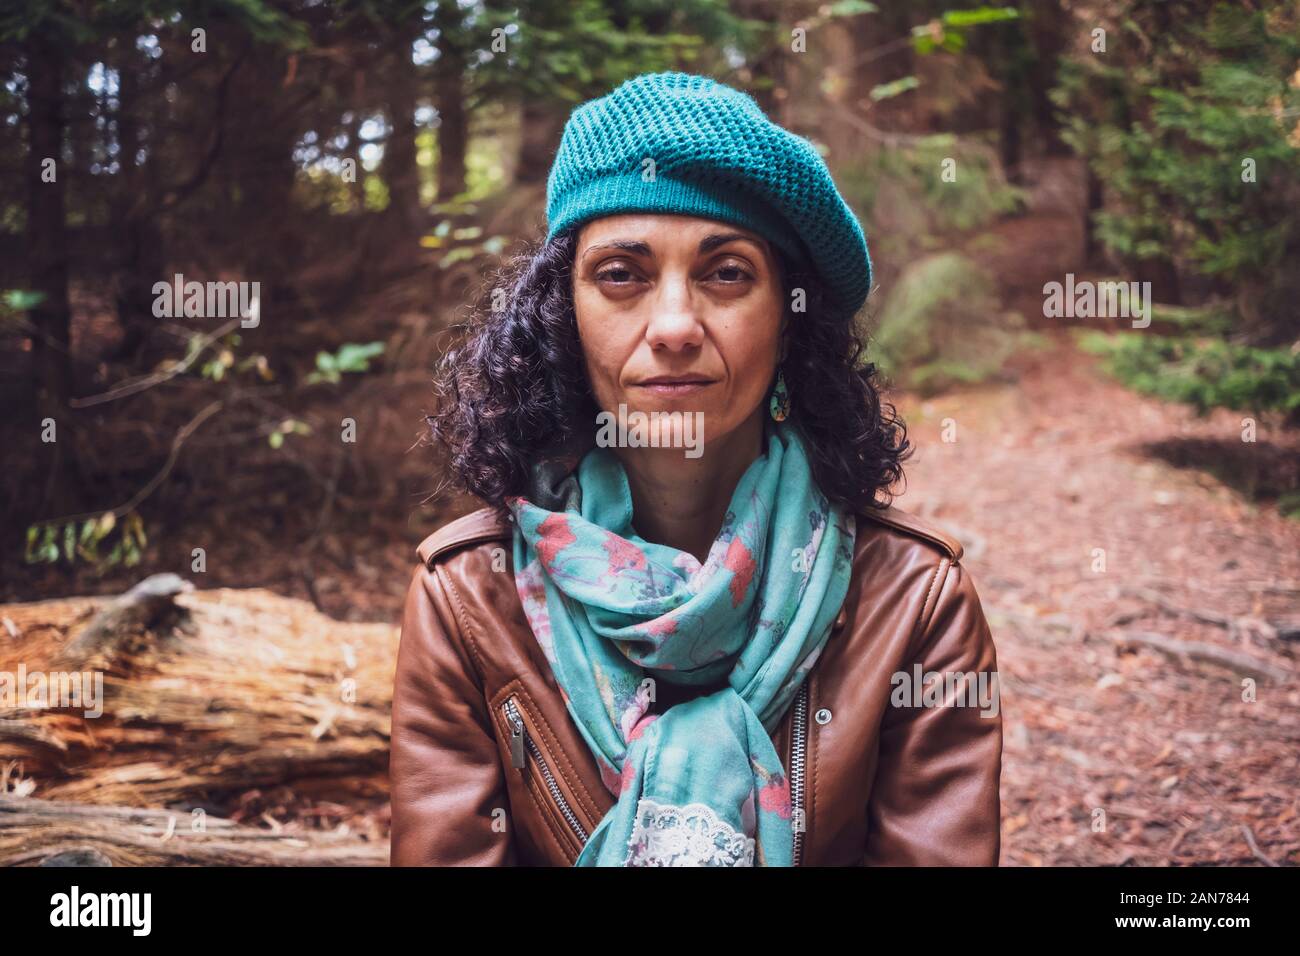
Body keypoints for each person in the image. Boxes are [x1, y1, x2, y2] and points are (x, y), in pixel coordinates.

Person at [390, 71, 1002, 866]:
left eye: (725, 273)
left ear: (788, 318)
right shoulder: (466, 601)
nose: (675, 325)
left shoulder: (915, 604)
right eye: (622, 275)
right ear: (562, 318)